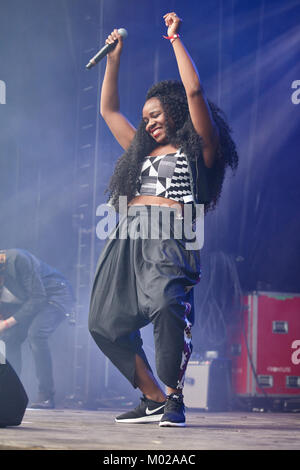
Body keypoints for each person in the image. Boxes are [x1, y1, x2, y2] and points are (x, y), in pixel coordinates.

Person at [88, 12, 238, 426]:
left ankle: (174, 397)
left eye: (156, 114)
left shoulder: (199, 150)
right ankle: (151, 397)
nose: (149, 122)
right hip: (126, 236)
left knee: (168, 306)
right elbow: (108, 109)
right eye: (146, 118)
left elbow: (194, 91)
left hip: (170, 234)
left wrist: (174, 40)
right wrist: (114, 59)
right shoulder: (140, 153)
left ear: (173, 111)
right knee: (102, 322)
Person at [0, 248, 75, 409]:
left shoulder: (18, 260)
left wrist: (5, 323)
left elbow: (38, 298)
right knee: (8, 338)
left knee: (36, 334)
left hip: (54, 296)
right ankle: (9, 393)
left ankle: (46, 395)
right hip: (30, 303)